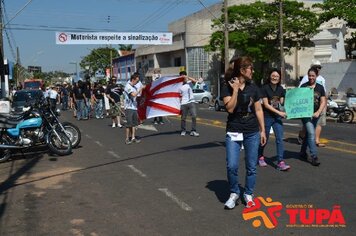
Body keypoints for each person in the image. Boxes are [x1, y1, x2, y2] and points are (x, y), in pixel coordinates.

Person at [222, 56, 266, 209]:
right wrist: (235, 90)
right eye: (250, 68)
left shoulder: (253, 88)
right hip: (234, 130)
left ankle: (248, 194)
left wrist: (263, 131)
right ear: (242, 70)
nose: (252, 71)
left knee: (251, 166)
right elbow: (230, 108)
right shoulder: (227, 86)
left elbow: (259, 109)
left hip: (251, 130)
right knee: (232, 165)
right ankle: (234, 193)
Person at [257, 69, 290, 171]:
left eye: (277, 76)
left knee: (280, 139)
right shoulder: (265, 88)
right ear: (269, 76)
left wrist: (285, 96)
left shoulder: (280, 89)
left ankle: (280, 161)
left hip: (277, 117)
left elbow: (282, 103)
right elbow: (266, 105)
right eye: (273, 76)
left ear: (279, 78)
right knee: (264, 139)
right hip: (267, 117)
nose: (275, 78)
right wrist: (279, 112)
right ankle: (260, 156)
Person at [300, 67, 326, 166]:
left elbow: (323, 101)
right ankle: (314, 156)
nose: (311, 77)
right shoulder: (303, 86)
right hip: (306, 115)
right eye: (309, 75)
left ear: (316, 76)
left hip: (316, 114)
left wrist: (318, 112)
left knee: (308, 134)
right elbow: (297, 99)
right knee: (311, 133)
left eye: (313, 76)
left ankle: (302, 152)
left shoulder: (320, 87)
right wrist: (306, 90)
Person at [124, 73, 145, 144]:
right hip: (129, 107)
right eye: (136, 81)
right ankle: (127, 138)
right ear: (133, 80)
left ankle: (133, 137)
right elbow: (133, 95)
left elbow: (139, 95)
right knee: (129, 124)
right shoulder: (128, 86)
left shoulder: (134, 87)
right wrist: (140, 89)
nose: (137, 83)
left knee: (134, 124)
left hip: (134, 107)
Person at [179, 71, 199, 137]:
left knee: (194, 116)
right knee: (183, 118)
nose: (183, 77)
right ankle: (183, 130)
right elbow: (178, 95)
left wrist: (187, 77)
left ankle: (193, 131)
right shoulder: (179, 86)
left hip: (191, 102)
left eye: (184, 76)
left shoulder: (189, 83)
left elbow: (195, 81)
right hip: (183, 103)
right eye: (182, 76)